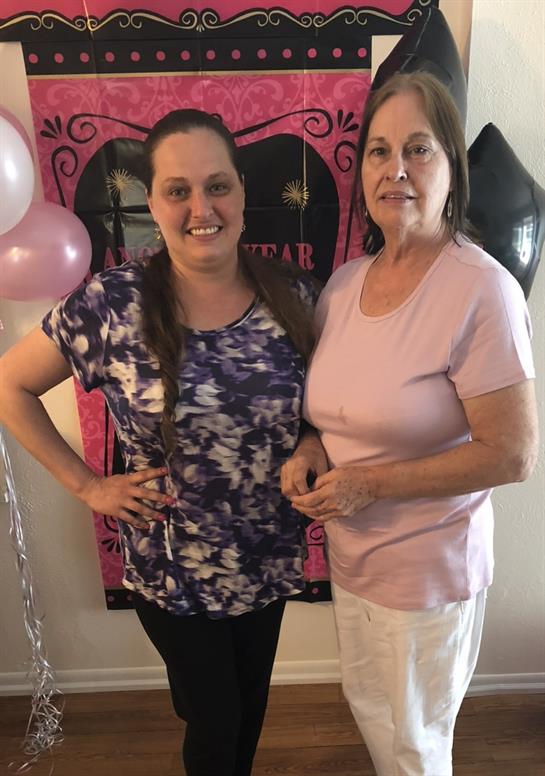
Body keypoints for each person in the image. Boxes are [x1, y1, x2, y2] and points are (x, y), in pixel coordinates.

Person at [0, 109, 320, 776]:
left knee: (248, 707)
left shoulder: (292, 295)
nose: (200, 207)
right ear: (152, 202)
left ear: (239, 191)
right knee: (215, 719)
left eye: (217, 186)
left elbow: (331, 400)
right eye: (178, 190)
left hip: (267, 556)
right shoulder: (110, 304)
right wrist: (86, 484)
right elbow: (10, 386)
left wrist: (314, 439)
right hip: (171, 567)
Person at [281, 73, 539, 776]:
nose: (394, 169)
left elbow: (511, 454)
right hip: (352, 556)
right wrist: (309, 447)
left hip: (429, 570)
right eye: (377, 150)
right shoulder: (343, 284)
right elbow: (329, 409)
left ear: (450, 169)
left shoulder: (479, 289)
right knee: (373, 713)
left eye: (418, 150)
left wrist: (370, 485)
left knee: (416, 742)